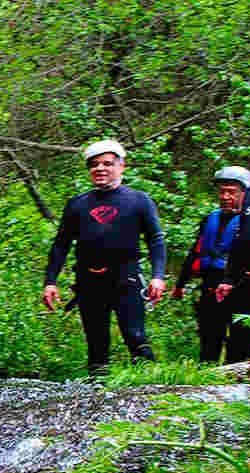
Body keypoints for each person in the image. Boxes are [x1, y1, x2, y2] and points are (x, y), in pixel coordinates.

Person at [42, 139, 167, 375]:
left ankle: (154, 393)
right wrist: (50, 282)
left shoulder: (139, 200)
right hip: (89, 282)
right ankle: (98, 398)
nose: (100, 169)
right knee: (96, 343)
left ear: (122, 167)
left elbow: (156, 239)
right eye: (94, 165)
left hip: (126, 279)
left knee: (135, 336)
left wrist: (158, 276)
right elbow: (61, 245)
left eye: (107, 164)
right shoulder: (77, 204)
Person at [170, 166, 250, 362]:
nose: (225, 197)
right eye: (222, 191)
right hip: (210, 284)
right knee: (209, 337)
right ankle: (207, 378)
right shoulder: (210, 219)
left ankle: (237, 381)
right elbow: (195, 252)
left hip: (240, 287)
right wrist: (180, 284)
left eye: (231, 192)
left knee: (240, 340)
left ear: (245, 193)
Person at [216, 137, 250, 363]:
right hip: (248, 282)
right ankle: (233, 393)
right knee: (238, 343)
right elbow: (241, 239)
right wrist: (228, 278)